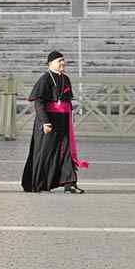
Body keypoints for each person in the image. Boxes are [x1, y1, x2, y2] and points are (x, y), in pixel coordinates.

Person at [21, 51, 88, 193]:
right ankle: (39, 183)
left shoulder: (66, 78)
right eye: (59, 61)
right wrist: (45, 122)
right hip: (48, 121)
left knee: (66, 151)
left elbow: (67, 101)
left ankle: (69, 183)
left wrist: (70, 119)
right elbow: (38, 102)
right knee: (45, 152)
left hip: (63, 121)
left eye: (63, 60)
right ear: (50, 64)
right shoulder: (44, 79)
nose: (62, 63)